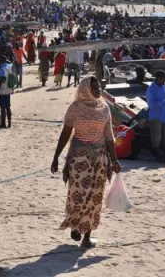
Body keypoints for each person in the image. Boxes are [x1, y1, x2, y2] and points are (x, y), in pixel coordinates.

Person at [50, 76, 122, 248]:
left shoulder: (104, 108)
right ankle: (75, 226)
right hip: (79, 159)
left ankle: (87, 236)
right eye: (95, 88)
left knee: (95, 197)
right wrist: (56, 157)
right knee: (78, 195)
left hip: (100, 158)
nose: (99, 91)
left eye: (99, 87)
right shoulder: (75, 108)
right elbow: (66, 134)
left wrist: (114, 160)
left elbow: (109, 137)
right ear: (85, 89)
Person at [146, 71, 165, 163]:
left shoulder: (164, 86)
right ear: (158, 78)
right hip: (155, 116)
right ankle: (157, 156)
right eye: (163, 79)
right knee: (156, 137)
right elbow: (151, 104)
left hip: (164, 115)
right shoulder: (151, 89)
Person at [0, 55, 14, 129]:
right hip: (9, 88)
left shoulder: (2, 69)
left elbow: (1, 81)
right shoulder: (10, 66)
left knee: (2, 108)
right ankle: (9, 123)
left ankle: (3, 123)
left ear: (0, 61)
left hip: (2, 90)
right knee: (8, 107)